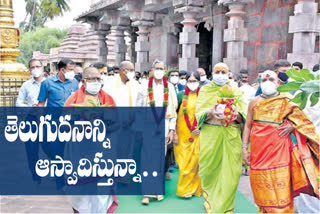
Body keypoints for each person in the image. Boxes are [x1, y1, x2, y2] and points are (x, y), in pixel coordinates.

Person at [242, 70, 319, 213]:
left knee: (282, 188)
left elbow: (304, 121)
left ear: (278, 82)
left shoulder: (287, 99)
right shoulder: (254, 102)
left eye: (271, 79)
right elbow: (247, 125)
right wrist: (244, 148)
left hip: (280, 150)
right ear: (259, 83)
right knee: (260, 188)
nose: (267, 82)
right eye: (264, 80)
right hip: (259, 151)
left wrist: (293, 125)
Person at [64, 67, 118, 214]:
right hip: (80, 152)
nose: (96, 82)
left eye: (98, 79)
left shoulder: (107, 99)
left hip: (102, 151)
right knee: (81, 192)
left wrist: (103, 127)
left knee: (101, 191)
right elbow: (64, 123)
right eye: (92, 79)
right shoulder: (73, 99)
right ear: (83, 81)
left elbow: (117, 122)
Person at [195, 62, 246, 213]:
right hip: (210, 134)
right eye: (218, 72)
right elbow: (198, 113)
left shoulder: (235, 90)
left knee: (232, 172)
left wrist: (236, 116)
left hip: (231, 134)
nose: (221, 75)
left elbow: (244, 114)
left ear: (229, 73)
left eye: (224, 72)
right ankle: (212, 202)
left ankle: (225, 208)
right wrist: (210, 113)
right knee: (207, 170)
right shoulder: (205, 90)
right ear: (212, 73)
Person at [141, 59, 178, 205]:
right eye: (157, 68)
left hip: (164, 128)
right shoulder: (144, 86)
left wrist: (171, 131)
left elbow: (173, 112)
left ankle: (157, 191)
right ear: (152, 69)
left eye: (162, 68)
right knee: (146, 160)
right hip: (147, 127)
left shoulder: (169, 87)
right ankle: (146, 193)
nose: (159, 71)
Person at [174, 71, 202, 198]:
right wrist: (173, 132)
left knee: (195, 162)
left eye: (194, 81)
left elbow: (207, 115)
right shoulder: (180, 95)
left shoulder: (203, 96)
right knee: (183, 162)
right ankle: (184, 189)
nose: (192, 83)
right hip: (182, 133)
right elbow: (173, 114)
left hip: (197, 133)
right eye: (189, 81)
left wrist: (201, 128)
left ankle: (194, 188)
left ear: (199, 81)